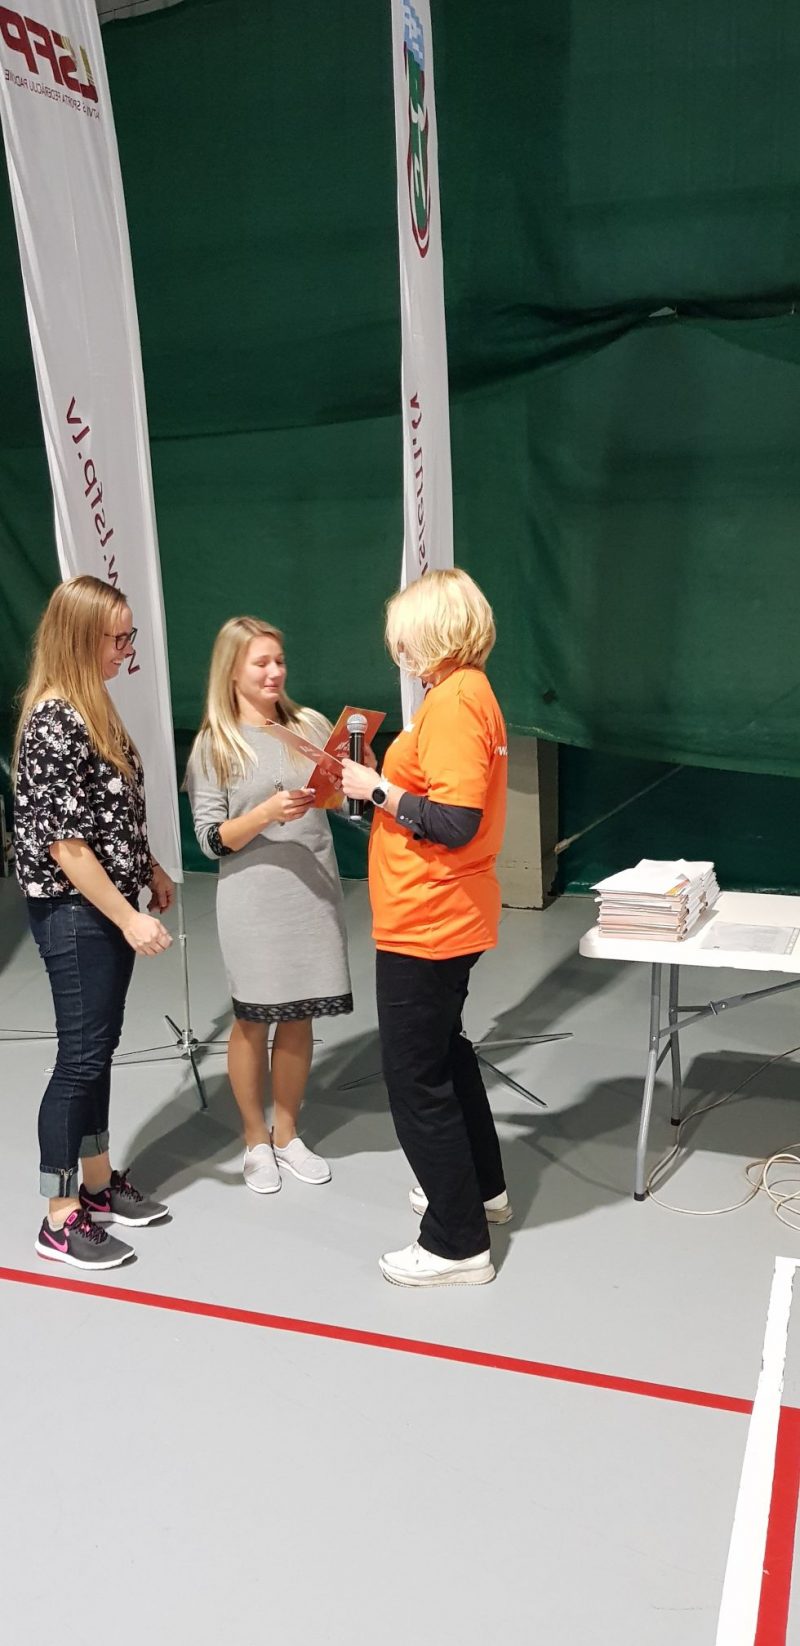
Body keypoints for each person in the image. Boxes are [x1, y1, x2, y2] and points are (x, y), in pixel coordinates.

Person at [342, 567, 510, 1288]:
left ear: (433, 631)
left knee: (416, 1078)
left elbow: (455, 820)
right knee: (444, 1054)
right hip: (441, 910)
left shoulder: (456, 702)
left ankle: (455, 1242)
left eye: (405, 637)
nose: (399, 650)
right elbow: (440, 803)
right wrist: (383, 787)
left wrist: (377, 789)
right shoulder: (465, 695)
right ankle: (482, 1192)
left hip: (428, 916)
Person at [13, 575, 174, 1270]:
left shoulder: (93, 705)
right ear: (80, 638)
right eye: (118, 638)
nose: (125, 650)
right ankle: (58, 1215)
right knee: (79, 1059)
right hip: (75, 912)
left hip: (105, 902)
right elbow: (67, 845)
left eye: (129, 636)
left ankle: (99, 1186)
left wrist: (151, 866)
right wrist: (128, 917)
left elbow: (114, 811)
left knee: (97, 1050)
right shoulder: (54, 720)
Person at [185, 617, 353, 1195]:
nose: (274, 672)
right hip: (253, 900)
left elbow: (343, 802)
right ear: (231, 670)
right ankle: (255, 1139)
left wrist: (361, 778)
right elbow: (210, 839)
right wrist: (264, 814)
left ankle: (287, 1133)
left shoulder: (311, 726)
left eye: (279, 660)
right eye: (261, 663)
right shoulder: (216, 743)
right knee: (253, 1019)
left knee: (300, 1016)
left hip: (312, 892)